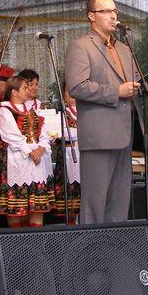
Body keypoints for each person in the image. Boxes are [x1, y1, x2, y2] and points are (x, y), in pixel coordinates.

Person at [64, 0, 140, 224]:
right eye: (106, 11)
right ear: (91, 16)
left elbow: (134, 83)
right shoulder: (80, 46)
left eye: (114, 11)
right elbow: (77, 86)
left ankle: (114, 243)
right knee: (95, 201)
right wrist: (116, 91)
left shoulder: (124, 49)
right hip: (98, 134)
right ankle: (92, 245)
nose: (113, 16)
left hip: (124, 132)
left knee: (119, 200)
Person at [0, 75, 55, 226]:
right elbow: (11, 136)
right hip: (17, 160)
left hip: (36, 161)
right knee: (18, 207)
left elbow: (45, 129)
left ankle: (35, 239)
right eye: (25, 88)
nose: (28, 90)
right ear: (14, 92)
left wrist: (41, 147)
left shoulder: (33, 109)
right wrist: (30, 151)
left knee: (37, 206)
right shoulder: (4, 111)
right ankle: (18, 239)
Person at [52, 83, 81, 223]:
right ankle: (70, 224)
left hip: (83, 154)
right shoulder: (61, 113)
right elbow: (60, 133)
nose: (71, 95)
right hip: (67, 154)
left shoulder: (85, 112)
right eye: (67, 92)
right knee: (68, 190)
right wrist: (80, 133)